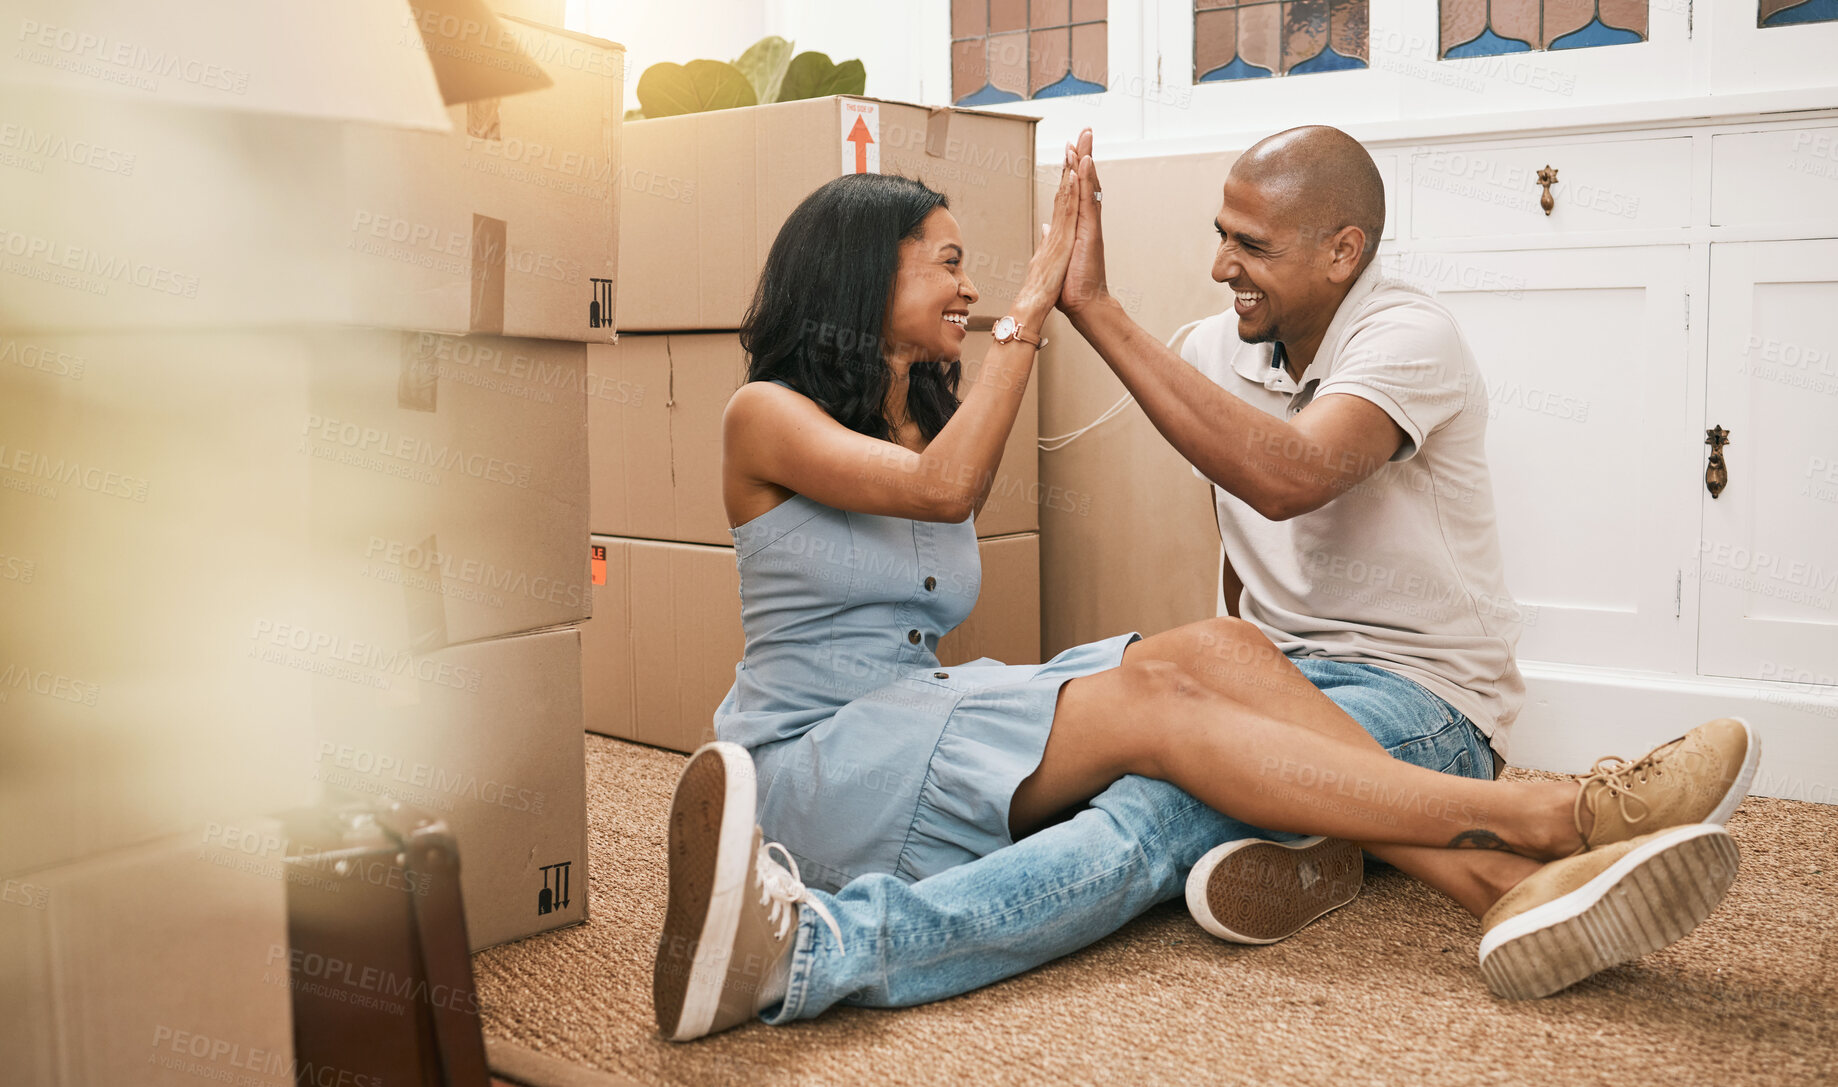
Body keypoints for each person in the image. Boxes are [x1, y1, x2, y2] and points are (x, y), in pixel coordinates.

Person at [652, 137, 1759, 1043]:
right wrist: (1049, 301)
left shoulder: (1405, 332)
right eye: (947, 262)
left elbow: (1277, 481)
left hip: (1394, 694)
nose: (975, 284)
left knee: (1222, 658)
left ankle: (1485, 881)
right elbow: (948, 492)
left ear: (1341, 250)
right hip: (817, 753)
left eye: (1245, 243)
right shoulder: (767, 413)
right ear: (860, 279)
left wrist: (1075, 305)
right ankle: (1547, 824)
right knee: (1168, 758)